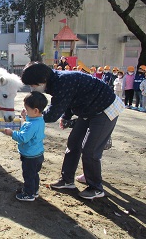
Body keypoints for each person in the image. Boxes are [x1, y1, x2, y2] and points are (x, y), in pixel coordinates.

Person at [21, 62, 124, 200]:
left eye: (33, 85)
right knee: (73, 143)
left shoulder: (62, 82)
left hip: (105, 108)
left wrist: (32, 117)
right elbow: (69, 99)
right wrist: (66, 116)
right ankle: (67, 180)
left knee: (90, 150)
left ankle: (96, 187)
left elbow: (52, 115)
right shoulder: (56, 82)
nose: (32, 88)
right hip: (87, 109)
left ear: (42, 81)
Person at [3, 91, 48, 201]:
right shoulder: (40, 119)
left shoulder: (30, 125)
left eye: (27, 110)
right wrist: (25, 117)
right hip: (38, 154)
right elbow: (32, 123)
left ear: (36, 110)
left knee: (28, 176)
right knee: (34, 174)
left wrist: (11, 133)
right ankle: (34, 190)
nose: (26, 112)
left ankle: (28, 194)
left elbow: (23, 138)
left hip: (30, 156)